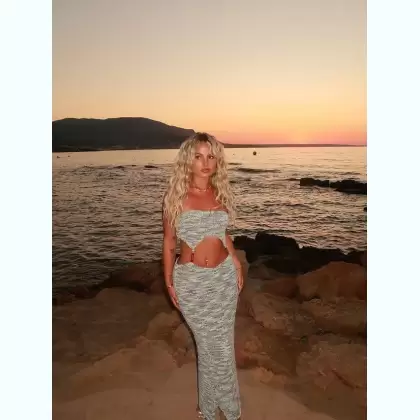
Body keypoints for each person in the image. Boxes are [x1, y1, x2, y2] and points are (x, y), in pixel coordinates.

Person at [162, 132, 244, 420]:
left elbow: (222, 233)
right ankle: (228, 412)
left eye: (211, 156)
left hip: (223, 279)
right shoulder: (176, 197)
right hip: (192, 283)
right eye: (198, 156)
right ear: (188, 160)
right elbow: (169, 242)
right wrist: (169, 281)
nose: (205, 162)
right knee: (211, 347)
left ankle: (211, 409)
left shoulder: (219, 193)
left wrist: (236, 261)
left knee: (220, 347)